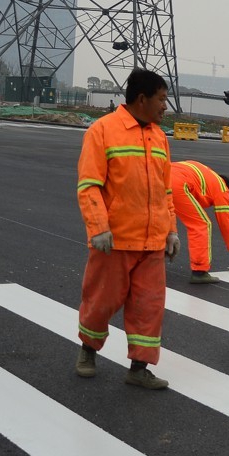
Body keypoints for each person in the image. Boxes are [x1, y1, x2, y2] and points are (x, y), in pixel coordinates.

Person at [74, 68, 180, 390]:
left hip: (152, 243)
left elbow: (165, 191)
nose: (166, 107)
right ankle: (88, 351)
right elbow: (90, 186)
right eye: (162, 99)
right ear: (142, 98)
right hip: (114, 240)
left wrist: (171, 230)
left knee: (149, 308)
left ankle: (139, 368)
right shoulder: (102, 131)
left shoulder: (160, 137)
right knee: (101, 301)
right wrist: (99, 228)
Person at [170, 159, 229, 283]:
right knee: (201, 224)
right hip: (176, 183)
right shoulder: (222, 187)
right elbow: (225, 222)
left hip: (159, 175)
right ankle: (200, 271)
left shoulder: (207, 175)